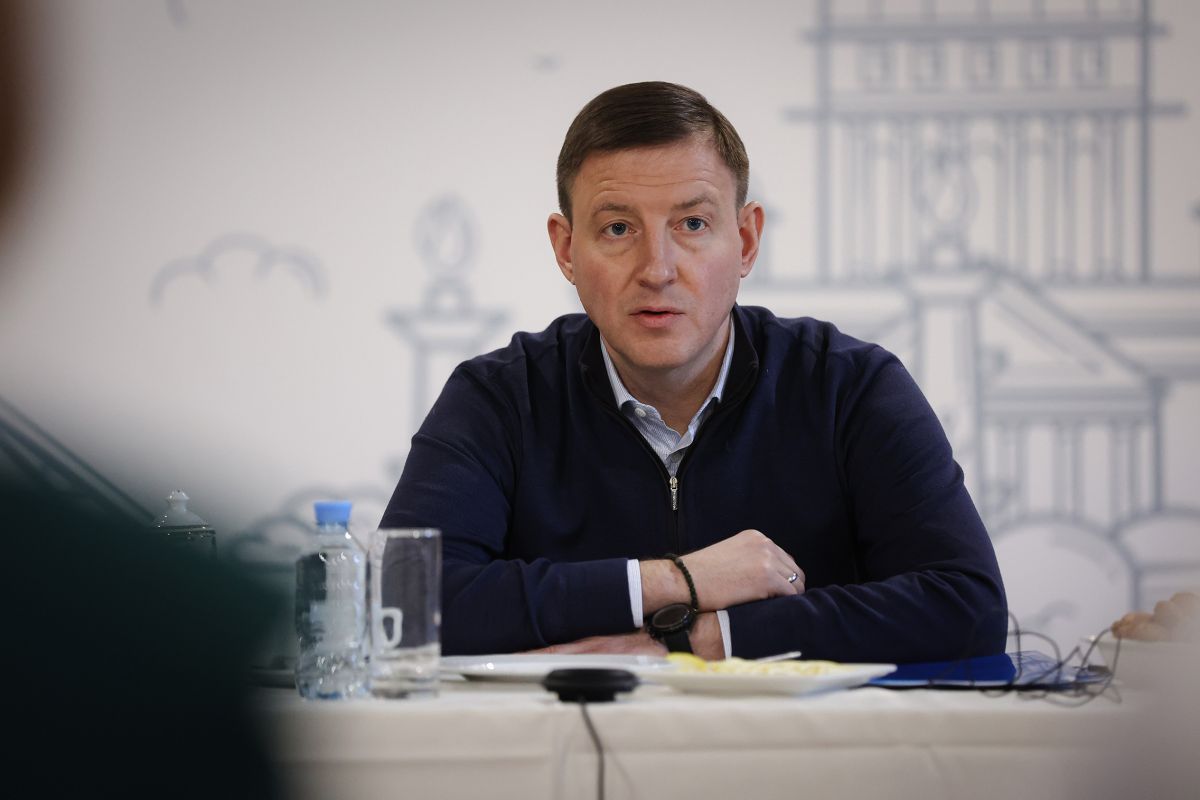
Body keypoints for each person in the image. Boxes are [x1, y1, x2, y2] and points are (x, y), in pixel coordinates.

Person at [380, 81, 1006, 662]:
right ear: (567, 250)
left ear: (746, 240)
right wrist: (676, 581)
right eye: (618, 228)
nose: (657, 269)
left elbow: (966, 605)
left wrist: (696, 639)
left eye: (693, 224)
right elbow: (401, 604)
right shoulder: (499, 397)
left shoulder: (849, 386)